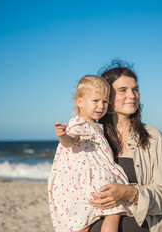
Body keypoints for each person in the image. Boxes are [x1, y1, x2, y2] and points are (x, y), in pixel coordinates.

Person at [89, 60, 162, 232]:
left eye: (135, 90)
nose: (132, 95)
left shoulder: (153, 137)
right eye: (122, 90)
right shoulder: (91, 136)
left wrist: (129, 193)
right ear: (106, 95)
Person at [48, 75, 133, 232]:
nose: (101, 106)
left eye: (105, 101)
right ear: (80, 102)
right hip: (92, 178)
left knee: (82, 222)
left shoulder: (96, 125)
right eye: (95, 101)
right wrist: (62, 136)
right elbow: (71, 140)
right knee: (113, 211)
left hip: (84, 181)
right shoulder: (81, 124)